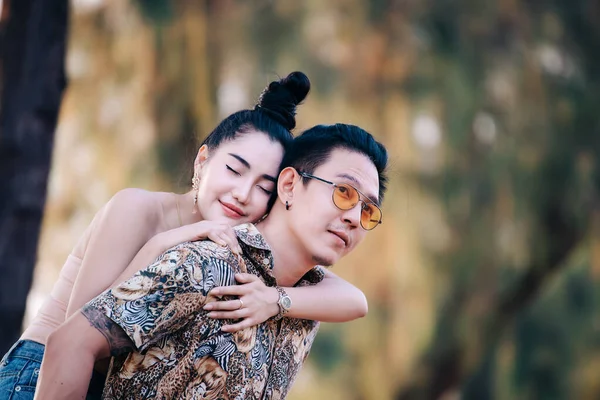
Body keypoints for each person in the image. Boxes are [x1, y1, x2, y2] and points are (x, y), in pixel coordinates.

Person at [0, 72, 368, 399]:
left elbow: (350, 298)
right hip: (38, 375)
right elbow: (80, 330)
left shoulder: (235, 247)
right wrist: (173, 240)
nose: (243, 193)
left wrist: (275, 299)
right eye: (235, 170)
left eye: (262, 188)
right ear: (202, 160)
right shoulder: (138, 208)